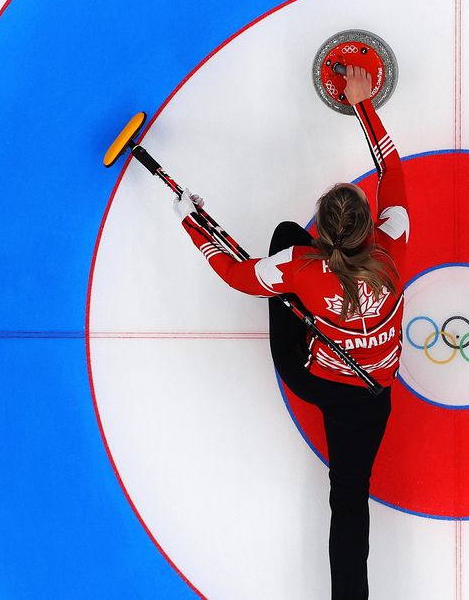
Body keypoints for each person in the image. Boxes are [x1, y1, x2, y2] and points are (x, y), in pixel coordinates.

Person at [173, 66, 407, 600]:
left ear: (323, 233)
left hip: (316, 377)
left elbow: (237, 275)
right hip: (372, 398)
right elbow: (391, 167)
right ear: (371, 226)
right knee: (350, 499)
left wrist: (193, 221)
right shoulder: (396, 246)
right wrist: (363, 104)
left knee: (280, 239)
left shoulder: (301, 267)